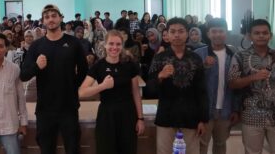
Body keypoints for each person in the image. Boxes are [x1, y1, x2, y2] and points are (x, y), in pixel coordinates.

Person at [21, 4, 88, 154]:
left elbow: (84, 70)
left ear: (60, 18)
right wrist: (37, 67)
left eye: (53, 16)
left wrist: (72, 86)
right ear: (43, 21)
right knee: (46, 150)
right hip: (45, 109)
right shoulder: (37, 46)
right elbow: (23, 74)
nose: (50, 19)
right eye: (47, 17)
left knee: (72, 149)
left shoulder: (73, 43)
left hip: (69, 107)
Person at [79, 30, 145, 154]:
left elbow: (136, 93)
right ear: (105, 45)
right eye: (111, 44)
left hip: (128, 114)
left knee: (128, 149)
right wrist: (102, 86)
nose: (114, 47)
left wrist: (140, 119)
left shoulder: (129, 65)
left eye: (118, 44)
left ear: (122, 45)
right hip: (107, 115)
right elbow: (81, 92)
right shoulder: (98, 66)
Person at [148, 17, 208, 154]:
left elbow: (202, 91)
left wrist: (202, 119)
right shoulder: (160, 58)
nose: (176, 35)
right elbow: (149, 89)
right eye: (173, 31)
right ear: (167, 35)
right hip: (166, 116)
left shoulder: (195, 58)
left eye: (181, 31)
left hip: (191, 117)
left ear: (187, 34)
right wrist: (160, 76)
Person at [228, 19, 275, 154]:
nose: (261, 36)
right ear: (250, 36)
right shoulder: (240, 55)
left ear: (270, 35)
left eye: (265, 33)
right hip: (251, 114)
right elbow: (232, 83)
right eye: (257, 33)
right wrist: (253, 77)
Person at [194, 18, 240, 154]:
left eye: (221, 31)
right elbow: (192, 83)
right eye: (214, 31)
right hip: (204, 111)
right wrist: (204, 67)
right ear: (208, 34)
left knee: (220, 144)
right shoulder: (199, 54)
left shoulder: (234, 55)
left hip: (225, 110)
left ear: (226, 33)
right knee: (201, 145)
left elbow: (237, 85)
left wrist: (236, 109)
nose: (218, 34)